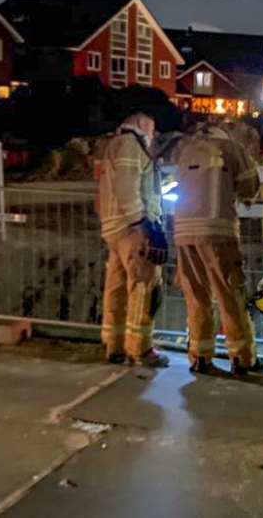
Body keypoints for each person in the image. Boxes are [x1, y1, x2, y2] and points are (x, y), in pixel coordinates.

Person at [173, 120, 262, 376]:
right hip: (218, 232)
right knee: (229, 294)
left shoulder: (188, 150)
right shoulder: (232, 148)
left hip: (183, 233)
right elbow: (250, 188)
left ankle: (200, 356)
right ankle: (242, 358)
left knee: (196, 295)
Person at [98, 112, 169, 368]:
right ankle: (140, 348)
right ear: (141, 124)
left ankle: (114, 344)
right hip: (132, 229)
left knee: (116, 289)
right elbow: (127, 186)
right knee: (144, 288)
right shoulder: (130, 145)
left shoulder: (114, 145)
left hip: (115, 228)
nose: (154, 133)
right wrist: (141, 224)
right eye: (152, 126)